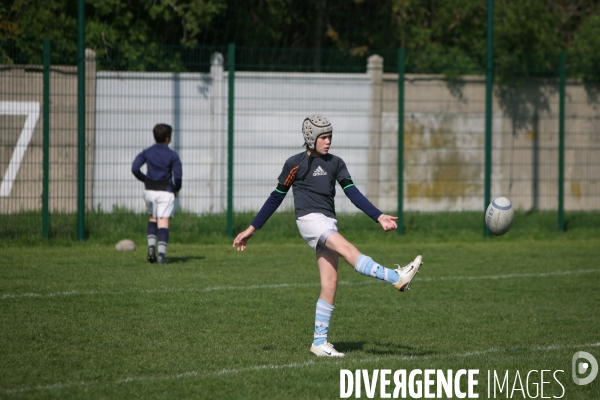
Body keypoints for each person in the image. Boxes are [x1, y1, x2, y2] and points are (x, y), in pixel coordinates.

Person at [232, 114, 423, 357]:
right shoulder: (295, 164)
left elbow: (353, 193)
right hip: (310, 221)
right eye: (323, 137)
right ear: (311, 138)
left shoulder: (336, 163)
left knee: (330, 283)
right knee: (348, 250)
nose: (328, 141)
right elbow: (277, 196)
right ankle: (396, 277)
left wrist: (378, 216)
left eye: (330, 136)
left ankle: (319, 343)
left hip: (328, 222)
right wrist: (252, 229)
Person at [131, 123, 182, 264]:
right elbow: (178, 176)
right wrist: (176, 188)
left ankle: (151, 247)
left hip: (149, 191)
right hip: (165, 191)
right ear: (168, 138)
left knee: (153, 218)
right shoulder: (172, 155)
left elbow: (135, 168)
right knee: (163, 221)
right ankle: (161, 256)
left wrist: (145, 179)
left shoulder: (147, 152)